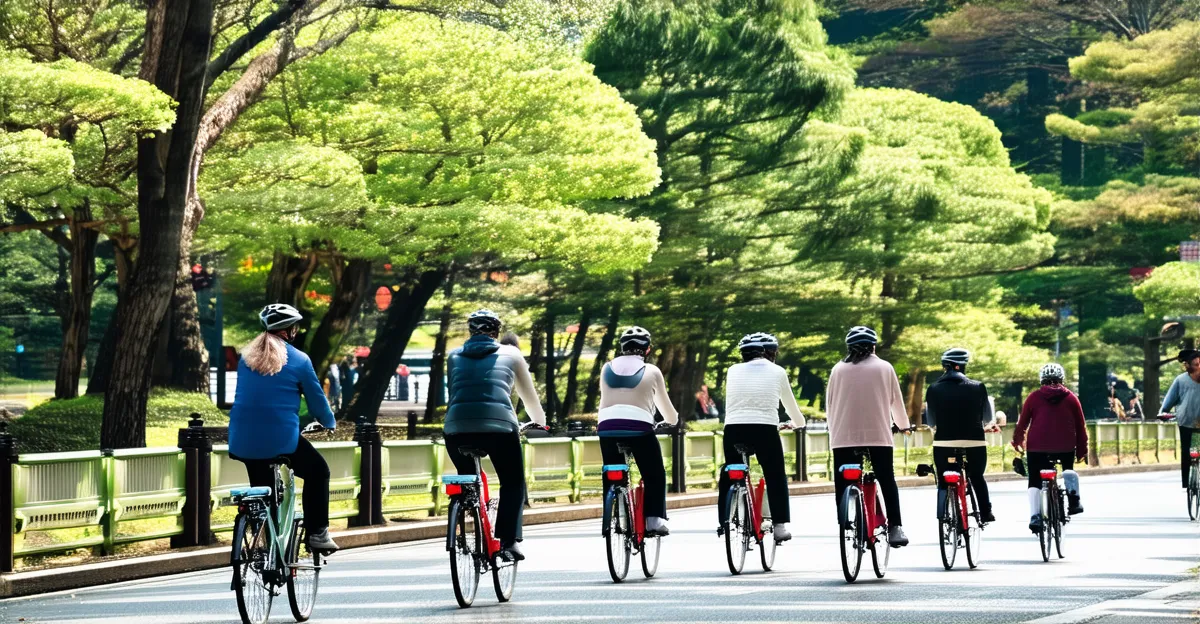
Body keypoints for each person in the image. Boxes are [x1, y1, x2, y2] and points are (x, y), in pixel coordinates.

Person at [228, 304, 339, 552]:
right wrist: (329, 422)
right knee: (318, 472)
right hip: (281, 439)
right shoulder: (299, 359)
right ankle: (317, 534)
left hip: (241, 439)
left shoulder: (246, 359)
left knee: (263, 490)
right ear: (290, 331)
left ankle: (262, 541)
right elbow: (317, 400)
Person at [443, 309, 546, 561]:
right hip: (500, 428)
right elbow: (528, 396)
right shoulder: (512, 354)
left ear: (471, 331)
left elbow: (454, 392)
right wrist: (540, 422)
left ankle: (466, 507)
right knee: (512, 482)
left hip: (456, 428)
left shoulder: (453, 355)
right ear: (496, 332)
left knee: (467, 480)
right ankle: (508, 542)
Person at [825, 326, 910, 547]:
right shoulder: (885, 367)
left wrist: (833, 431)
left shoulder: (837, 369)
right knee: (886, 478)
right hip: (878, 435)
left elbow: (830, 404)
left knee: (843, 481)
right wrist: (904, 425)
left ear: (849, 348)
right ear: (873, 346)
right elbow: (896, 402)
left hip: (843, 436)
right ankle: (895, 527)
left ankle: (844, 522)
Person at [718, 333, 805, 542]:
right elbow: (790, 405)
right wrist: (798, 423)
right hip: (765, 429)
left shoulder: (732, 371)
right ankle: (780, 525)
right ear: (768, 353)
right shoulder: (778, 372)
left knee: (730, 471)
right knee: (775, 474)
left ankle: (724, 520)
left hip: (734, 429)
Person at [597, 326, 678, 535]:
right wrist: (672, 420)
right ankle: (653, 521)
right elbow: (665, 407)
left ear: (622, 348)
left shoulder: (606, 368)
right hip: (639, 428)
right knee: (654, 474)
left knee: (611, 469)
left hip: (607, 427)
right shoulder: (652, 371)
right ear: (647, 350)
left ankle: (612, 514)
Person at [1012, 363, 1088, 533]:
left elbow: (1022, 424)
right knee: (1068, 469)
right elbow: (1080, 426)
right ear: (1062, 378)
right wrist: (1082, 450)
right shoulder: (1071, 398)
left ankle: (1035, 516)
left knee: (1034, 480)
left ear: (1042, 379)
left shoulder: (1033, 397)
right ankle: (1074, 501)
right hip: (1066, 445)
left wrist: (1018, 443)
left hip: (1036, 447)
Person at [924, 348, 996, 523]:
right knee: (976, 476)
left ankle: (944, 510)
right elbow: (988, 418)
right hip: (974, 442)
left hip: (943, 443)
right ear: (964, 366)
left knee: (943, 479)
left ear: (944, 367)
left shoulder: (933, 389)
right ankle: (986, 512)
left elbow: (931, 422)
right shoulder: (978, 387)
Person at [1159, 349, 1200, 489]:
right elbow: (1168, 402)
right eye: (1195, 364)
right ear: (1187, 366)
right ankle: (1187, 483)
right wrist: (1163, 413)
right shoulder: (1181, 380)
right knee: (1187, 452)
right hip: (1186, 423)